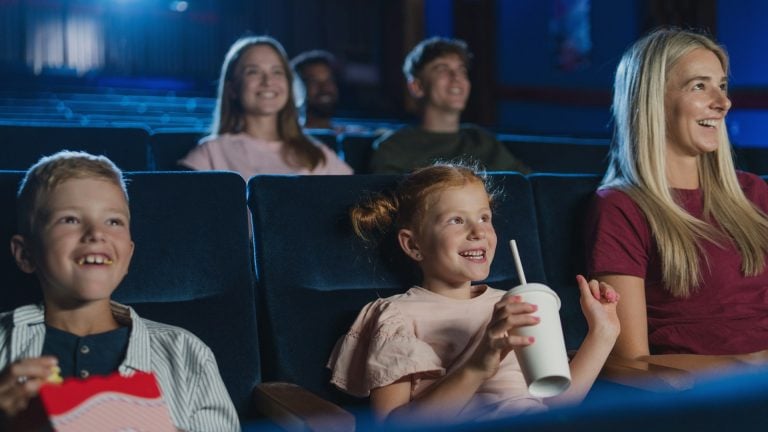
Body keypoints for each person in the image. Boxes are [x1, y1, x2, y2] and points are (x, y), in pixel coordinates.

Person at [328, 162, 619, 425]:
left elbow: (557, 403)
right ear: (413, 245)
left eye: (484, 217)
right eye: (456, 220)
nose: (478, 232)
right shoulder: (396, 317)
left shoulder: (514, 305)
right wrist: (479, 363)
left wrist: (602, 333)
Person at [0, 151, 239, 431]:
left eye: (113, 221)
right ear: (25, 254)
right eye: (70, 219)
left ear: (128, 254)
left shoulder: (185, 353)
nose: (96, 233)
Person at [584, 28, 768, 370]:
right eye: (700, 86)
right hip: (717, 396)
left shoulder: (754, 192)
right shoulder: (621, 207)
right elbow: (631, 361)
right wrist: (748, 366)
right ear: (653, 100)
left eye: (722, 85)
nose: (723, 102)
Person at [179, 36, 352, 177]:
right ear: (232, 88)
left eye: (277, 72)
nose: (268, 81)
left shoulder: (315, 152)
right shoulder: (212, 151)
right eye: (253, 71)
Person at [369, 37, 529, 174]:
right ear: (416, 87)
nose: (456, 77)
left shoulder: (482, 141)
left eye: (461, 71)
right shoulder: (394, 148)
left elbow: (528, 186)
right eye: (442, 69)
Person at [291, 49, 341, 130]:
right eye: (313, 82)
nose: (324, 87)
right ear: (296, 90)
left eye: (329, 80)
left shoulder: (353, 137)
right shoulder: (287, 138)